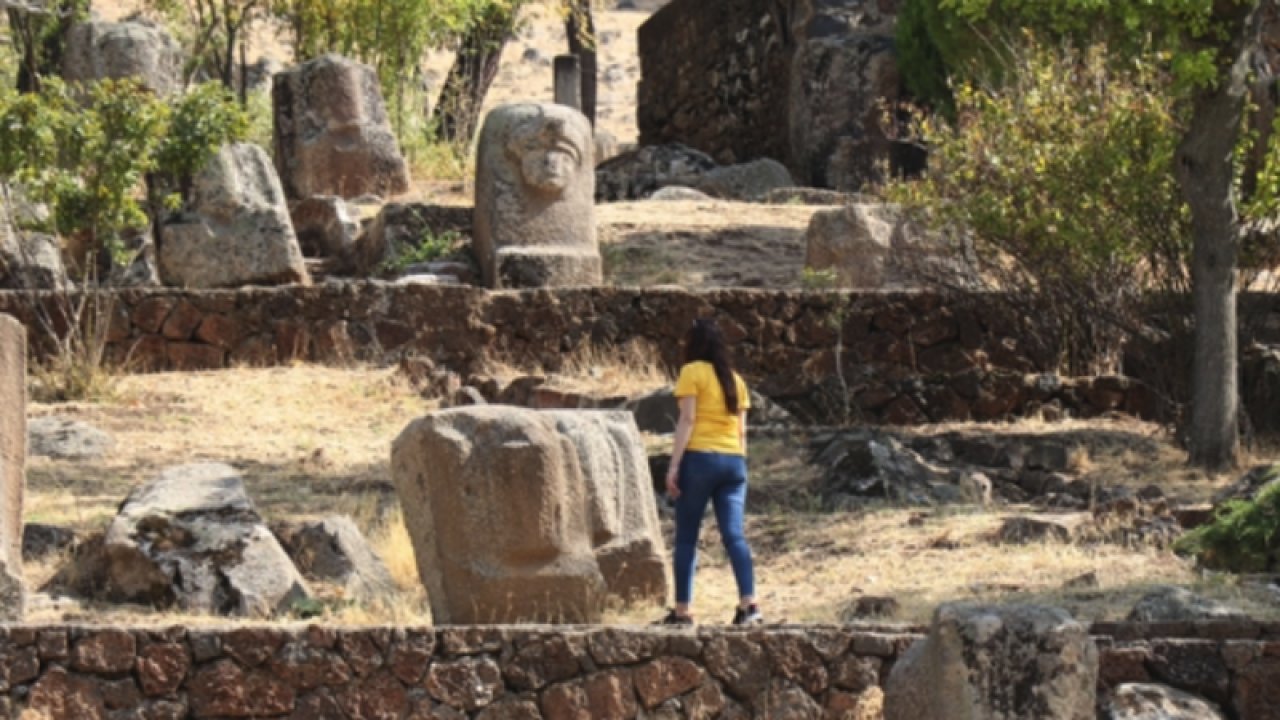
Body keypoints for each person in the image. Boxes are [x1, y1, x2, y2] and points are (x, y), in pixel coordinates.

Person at [660, 317, 762, 625]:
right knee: (734, 535)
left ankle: (683, 610)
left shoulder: (692, 372)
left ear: (693, 344)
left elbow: (687, 420)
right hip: (734, 463)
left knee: (687, 538)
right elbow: (742, 432)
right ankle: (749, 604)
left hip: (700, 460)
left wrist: (674, 466)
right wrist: (738, 465)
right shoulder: (736, 381)